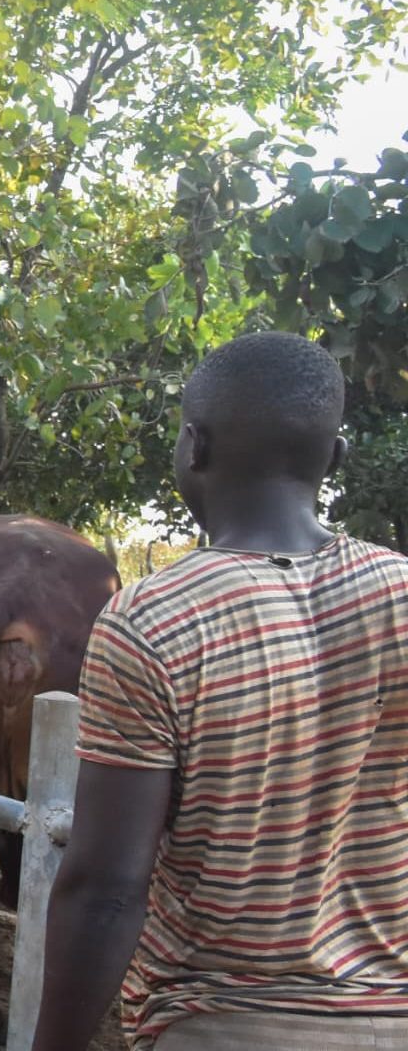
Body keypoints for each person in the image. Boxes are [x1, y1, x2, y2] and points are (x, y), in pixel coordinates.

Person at [33, 332, 408, 1051]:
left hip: (223, 1020)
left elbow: (108, 891)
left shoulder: (155, 622)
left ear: (193, 447)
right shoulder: (399, 590)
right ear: (335, 458)